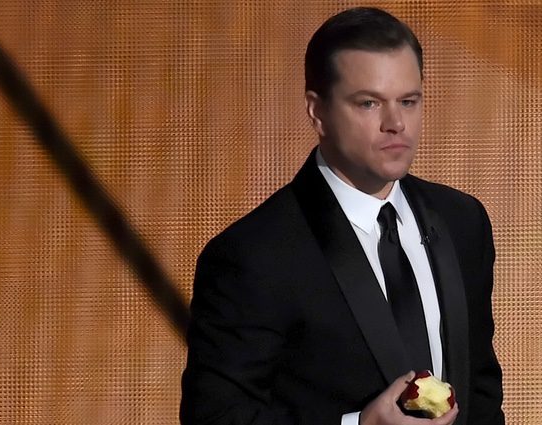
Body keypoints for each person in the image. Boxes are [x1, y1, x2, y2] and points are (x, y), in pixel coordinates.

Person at [180, 7, 504, 425]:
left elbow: (480, 389)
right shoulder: (252, 255)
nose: (396, 123)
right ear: (317, 111)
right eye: (369, 103)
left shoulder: (463, 222)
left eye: (409, 101)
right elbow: (215, 417)